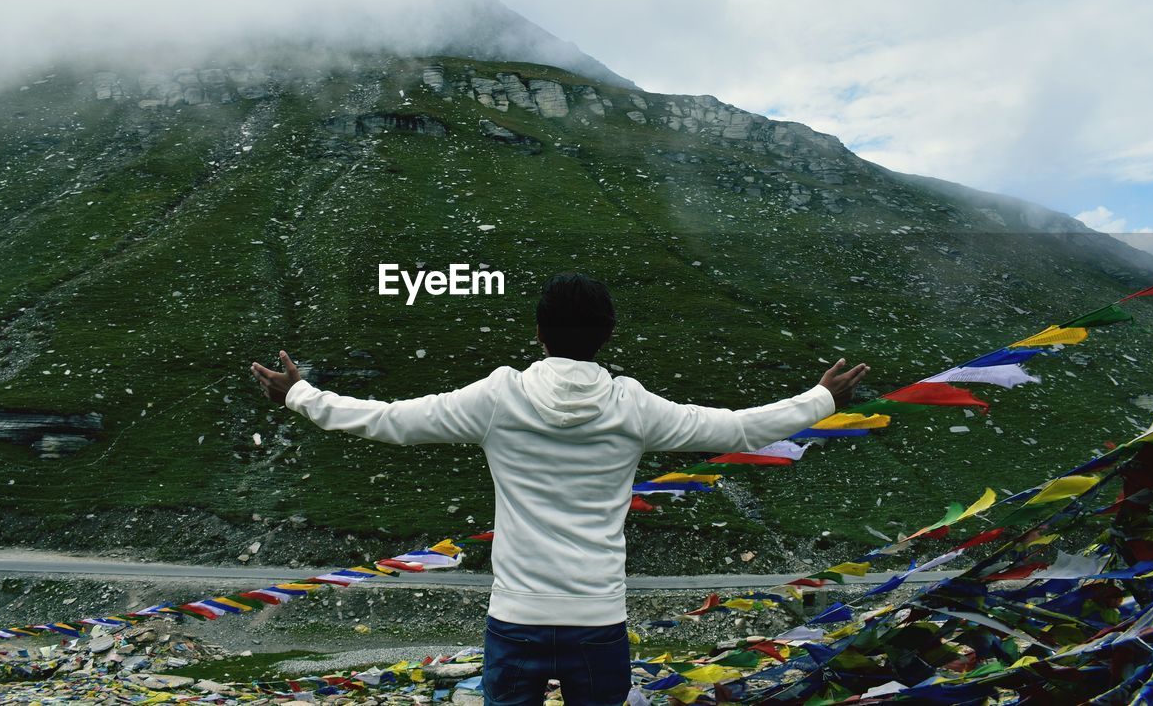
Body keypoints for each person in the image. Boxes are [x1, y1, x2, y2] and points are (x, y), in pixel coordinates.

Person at [252, 271, 869, 706]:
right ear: (607, 333)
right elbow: (736, 427)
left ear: (539, 332)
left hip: (516, 618)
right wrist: (820, 399)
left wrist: (299, 393)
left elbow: (388, 420)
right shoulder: (634, 406)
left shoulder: (499, 398)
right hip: (597, 620)